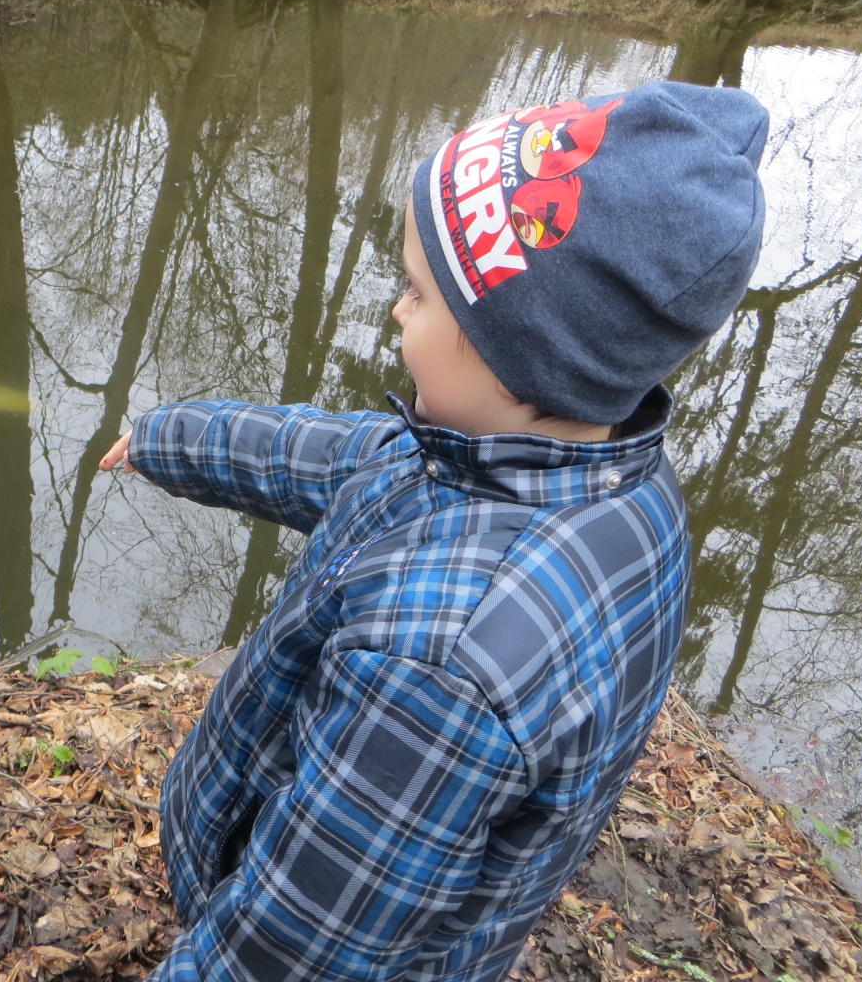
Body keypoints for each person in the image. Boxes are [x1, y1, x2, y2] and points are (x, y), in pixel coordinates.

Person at [97, 80, 769, 982]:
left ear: (518, 353)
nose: (396, 311)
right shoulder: (605, 477)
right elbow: (330, 457)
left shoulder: (437, 670)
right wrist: (166, 439)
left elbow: (286, 956)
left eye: (417, 293)